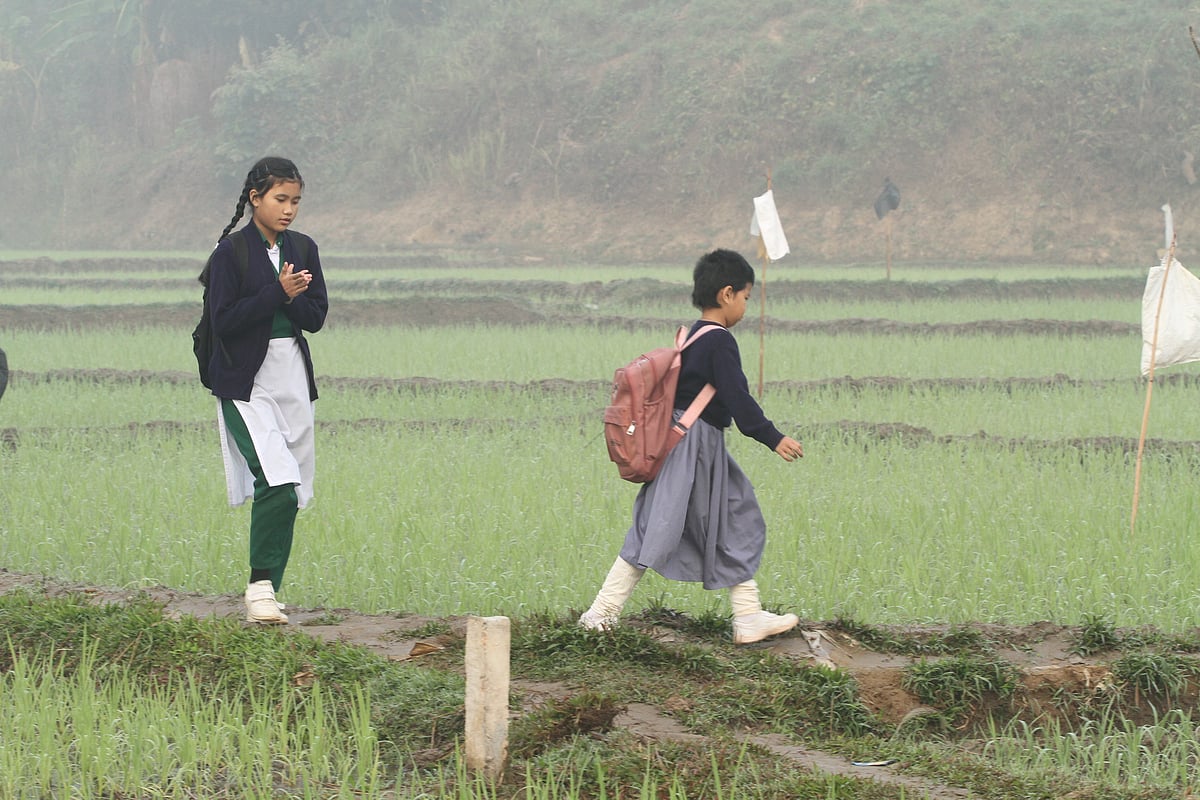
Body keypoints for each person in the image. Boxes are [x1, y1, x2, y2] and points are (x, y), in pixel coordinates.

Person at [580, 249, 804, 645]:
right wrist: (773, 437)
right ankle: (601, 613)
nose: (746, 306)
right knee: (660, 523)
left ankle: (748, 615)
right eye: (746, 297)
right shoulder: (719, 342)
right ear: (727, 294)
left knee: (730, 515)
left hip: (693, 442)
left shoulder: (692, 336)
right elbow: (738, 399)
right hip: (693, 444)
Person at [205, 156, 328, 624]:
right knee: (275, 478)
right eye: (280, 199)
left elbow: (315, 317)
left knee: (292, 488)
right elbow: (224, 321)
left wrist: (291, 297)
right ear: (255, 198)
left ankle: (269, 592)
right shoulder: (230, 253)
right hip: (245, 380)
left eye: (296, 201)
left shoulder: (304, 247)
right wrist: (277, 293)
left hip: (291, 374)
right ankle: (259, 588)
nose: (289, 209)